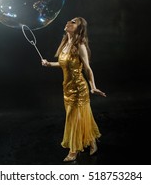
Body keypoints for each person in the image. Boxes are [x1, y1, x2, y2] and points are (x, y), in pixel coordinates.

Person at [42, 17, 106, 162]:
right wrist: (48, 64)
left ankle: (74, 150)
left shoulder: (80, 45)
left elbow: (87, 68)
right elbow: (63, 63)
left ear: (79, 28)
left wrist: (93, 87)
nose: (68, 22)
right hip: (67, 87)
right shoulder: (65, 43)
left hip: (79, 88)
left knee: (73, 119)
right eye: (69, 20)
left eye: (73, 22)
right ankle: (92, 142)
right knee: (81, 116)